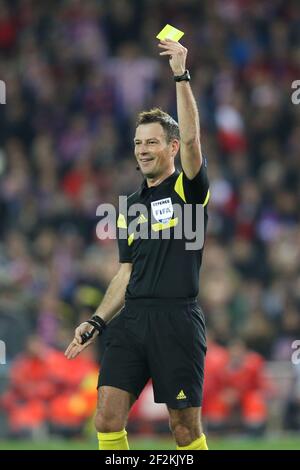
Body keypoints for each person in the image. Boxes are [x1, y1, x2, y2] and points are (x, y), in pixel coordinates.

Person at [65, 39, 210, 451]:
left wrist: (181, 75)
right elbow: (124, 273)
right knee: (106, 417)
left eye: (151, 142)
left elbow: (196, 141)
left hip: (177, 320)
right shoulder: (128, 206)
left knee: (184, 430)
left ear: (172, 148)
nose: (142, 150)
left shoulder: (187, 189)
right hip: (131, 321)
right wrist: (96, 321)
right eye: (137, 143)